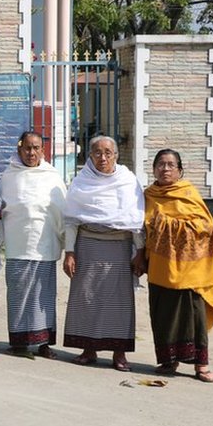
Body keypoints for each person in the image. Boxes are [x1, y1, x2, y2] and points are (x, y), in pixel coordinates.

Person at [62, 135, 145, 371]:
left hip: (119, 248)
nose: (103, 157)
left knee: (119, 302)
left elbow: (136, 219)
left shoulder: (128, 181)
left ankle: (119, 353)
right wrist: (69, 252)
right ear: (89, 156)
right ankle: (89, 349)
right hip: (87, 246)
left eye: (108, 152)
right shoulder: (81, 182)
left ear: (116, 155)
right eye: (97, 152)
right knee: (86, 297)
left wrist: (139, 251)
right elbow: (71, 221)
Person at [144, 149, 213, 382]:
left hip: (190, 270)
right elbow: (141, 227)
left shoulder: (188, 193)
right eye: (160, 164)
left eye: (170, 165)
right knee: (163, 314)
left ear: (180, 170)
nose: (165, 169)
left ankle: (201, 364)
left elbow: (206, 227)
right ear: (154, 168)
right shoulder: (149, 194)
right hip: (160, 267)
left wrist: (166, 224)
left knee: (193, 316)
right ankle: (169, 361)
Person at [0, 131, 66, 359]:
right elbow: (0, 206)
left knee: (43, 295)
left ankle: (44, 343)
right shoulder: (8, 176)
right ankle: (19, 342)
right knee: (17, 293)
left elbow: (61, 209)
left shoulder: (52, 176)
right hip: (18, 244)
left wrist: (67, 242)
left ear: (42, 151)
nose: (31, 153)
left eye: (36, 148)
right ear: (19, 150)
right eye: (27, 148)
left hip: (44, 243)